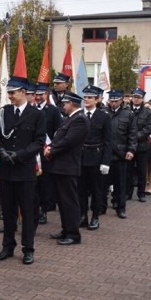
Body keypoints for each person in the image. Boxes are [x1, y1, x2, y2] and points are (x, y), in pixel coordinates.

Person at [0, 76, 47, 265]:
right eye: (8, 93)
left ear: (23, 92)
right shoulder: (3, 112)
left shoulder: (37, 114)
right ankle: (8, 246)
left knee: (28, 212)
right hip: (6, 171)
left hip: (25, 171)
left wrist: (19, 155)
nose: (10, 96)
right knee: (7, 212)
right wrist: (1, 152)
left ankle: (28, 248)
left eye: (13, 93)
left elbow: (39, 142)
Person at [45, 91, 90, 245]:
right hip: (60, 166)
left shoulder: (80, 120)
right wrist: (51, 146)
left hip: (68, 166)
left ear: (71, 104)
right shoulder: (71, 119)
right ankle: (66, 230)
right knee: (63, 201)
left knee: (69, 201)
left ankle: (73, 234)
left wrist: (51, 149)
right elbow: (59, 137)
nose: (63, 106)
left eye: (65, 103)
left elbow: (69, 141)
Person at [78, 86, 113, 230]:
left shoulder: (104, 116)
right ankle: (83, 216)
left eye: (90, 97)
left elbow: (108, 141)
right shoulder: (79, 115)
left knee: (96, 190)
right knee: (81, 190)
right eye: (85, 97)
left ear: (97, 99)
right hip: (80, 157)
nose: (86, 100)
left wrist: (105, 162)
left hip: (96, 157)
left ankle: (95, 216)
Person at [33, 83, 63, 225]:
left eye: (41, 94)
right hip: (32, 152)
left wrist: (52, 148)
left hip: (46, 152)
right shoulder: (30, 109)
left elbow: (59, 132)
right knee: (33, 183)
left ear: (46, 94)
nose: (38, 97)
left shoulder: (53, 111)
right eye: (36, 94)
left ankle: (43, 211)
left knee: (44, 184)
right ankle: (33, 209)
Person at [107, 90, 136, 218]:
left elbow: (132, 134)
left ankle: (121, 207)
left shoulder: (128, 114)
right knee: (102, 183)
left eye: (116, 101)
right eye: (111, 101)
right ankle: (101, 206)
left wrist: (131, 150)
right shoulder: (103, 113)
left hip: (121, 153)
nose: (113, 103)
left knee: (120, 183)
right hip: (106, 153)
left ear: (121, 100)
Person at [128, 88, 151, 202]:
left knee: (141, 171)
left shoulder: (148, 112)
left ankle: (141, 193)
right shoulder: (126, 110)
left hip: (141, 146)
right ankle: (127, 193)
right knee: (128, 171)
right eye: (134, 97)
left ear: (142, 99)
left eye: (138, 97)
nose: (136, 99)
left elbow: (148, 129)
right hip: (128, 146)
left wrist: (133, 137)